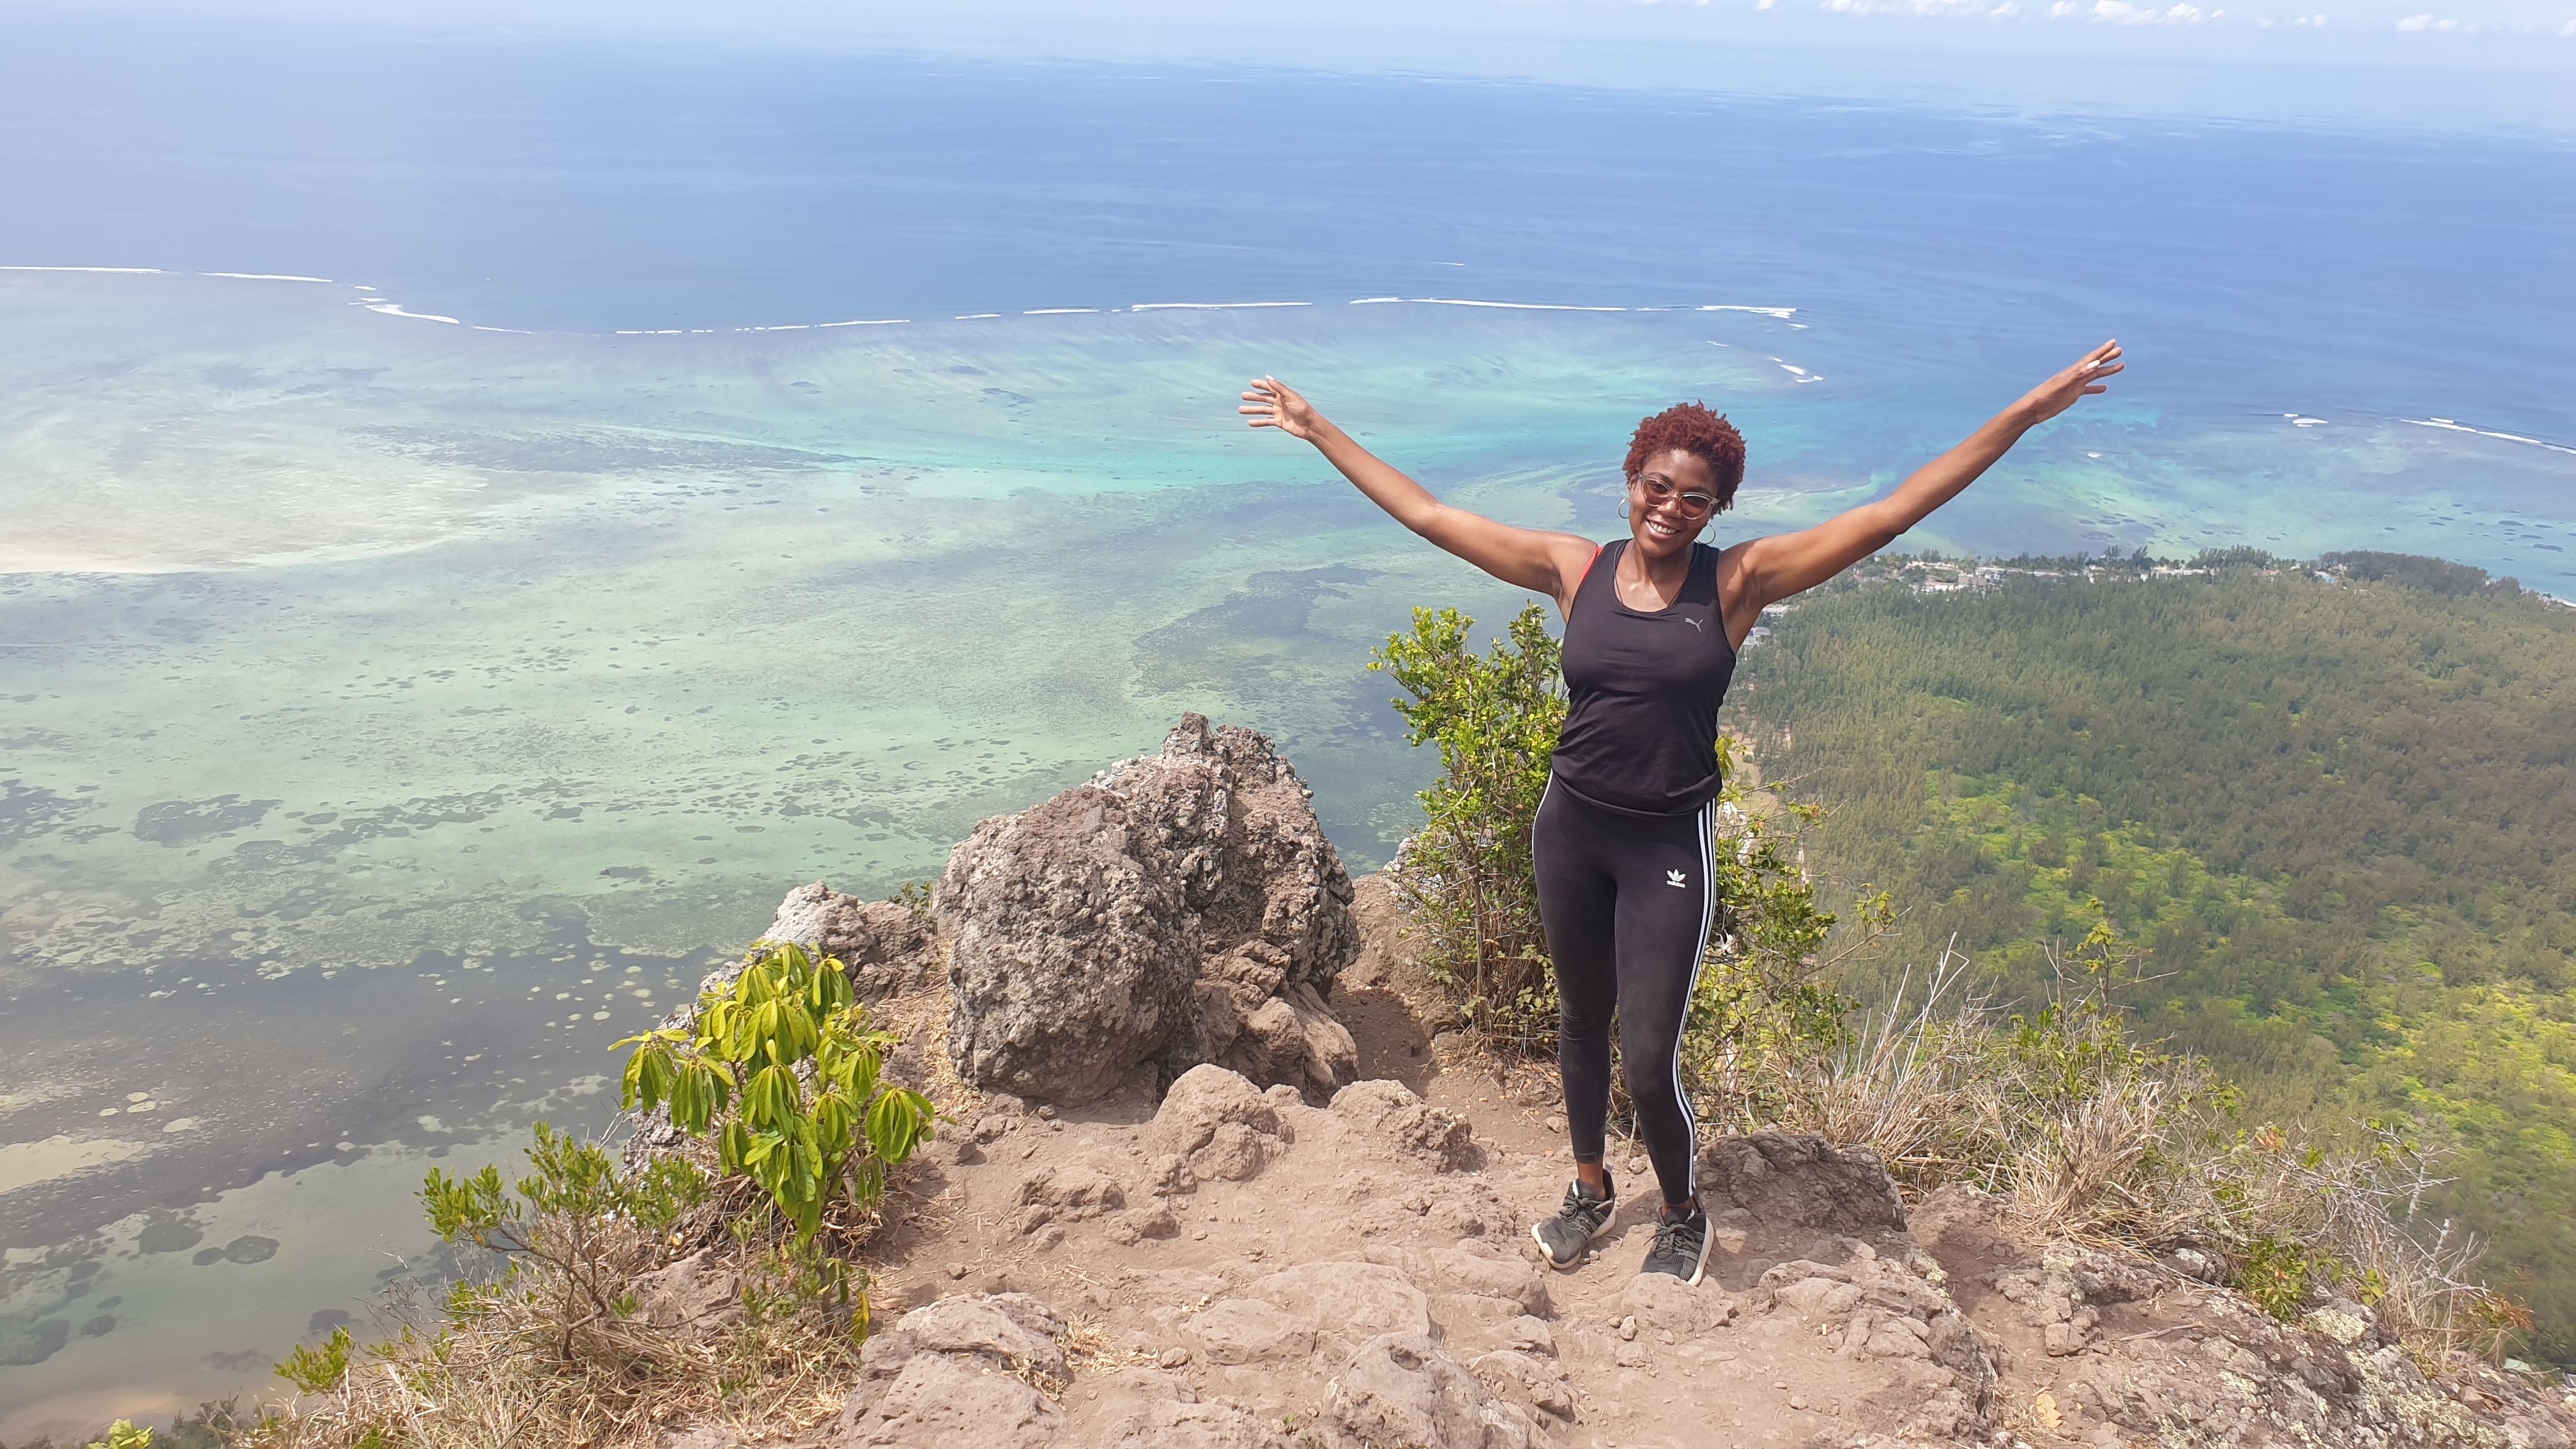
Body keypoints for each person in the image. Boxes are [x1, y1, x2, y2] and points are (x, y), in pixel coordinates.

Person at [1238, 340, 2124, 1283]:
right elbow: (1429, 515)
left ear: (1717, 510)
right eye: (1656, 486)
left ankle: (1683, 1210)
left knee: (1648, 1055)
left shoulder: (1735, 584)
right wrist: (1317, 427)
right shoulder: (1572, 569)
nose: (1669, 507)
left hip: (1667, 842)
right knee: (1580, 1021)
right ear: (1630, 480)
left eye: (1694, 498)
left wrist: (2024, 415)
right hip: (1571, 826)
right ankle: (1588, 1189)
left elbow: (1890, 513)